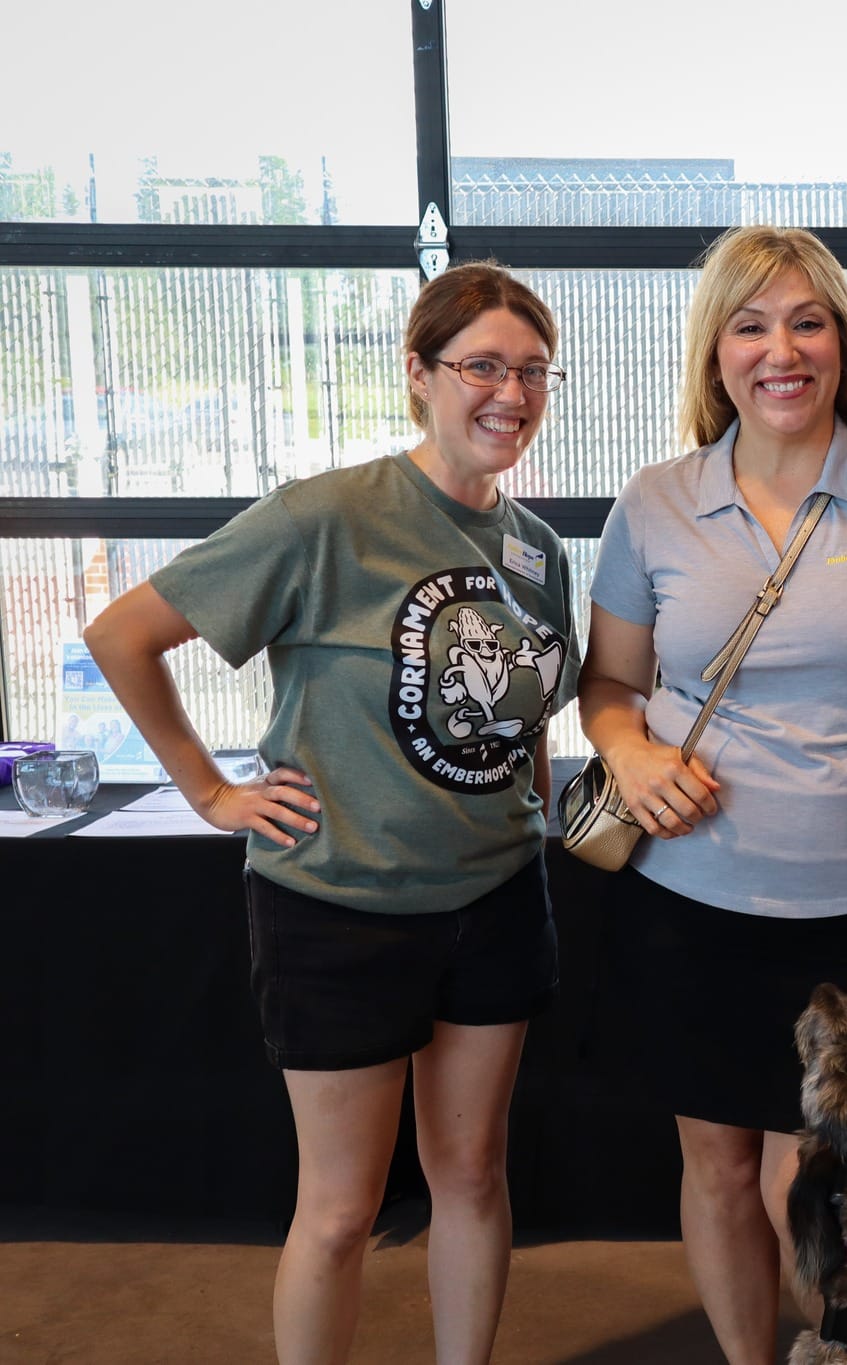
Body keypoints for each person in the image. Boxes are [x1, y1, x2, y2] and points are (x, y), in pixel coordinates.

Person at [82, 262, 579, 1365]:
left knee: (472, 1176)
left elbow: (533, 706)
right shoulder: (327, 517)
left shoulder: (538, 549)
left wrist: (530, 807)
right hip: (340, 906)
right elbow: (122, 634)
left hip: (497, 900)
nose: (511, 393)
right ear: (419, 374)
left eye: (533, 372)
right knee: (343, 1209)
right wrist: (210, 792)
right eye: (482, 367)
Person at [579, 225, 847, 1365]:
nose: (781, 350)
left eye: (807, 321)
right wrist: (629, 752)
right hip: (688, 905)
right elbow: (608, 684)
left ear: (842, 344)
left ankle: (844, 1352)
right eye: (751, 324)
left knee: (824, 1177)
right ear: (714, 351)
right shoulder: (655, 502)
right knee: (717, 1166)